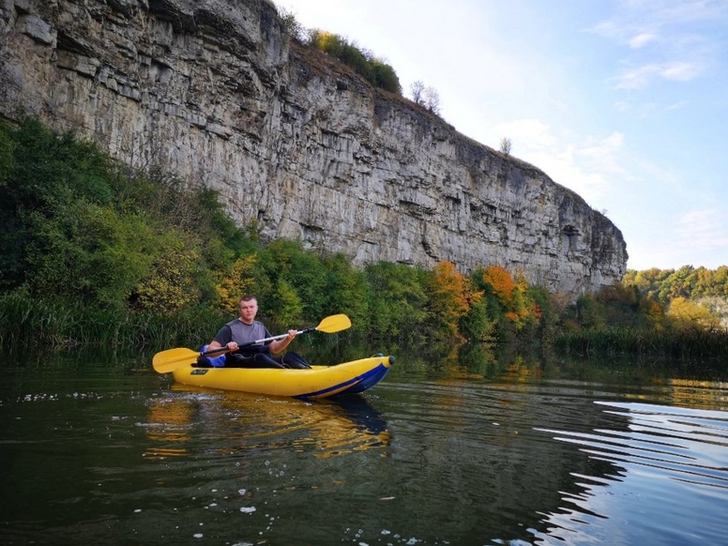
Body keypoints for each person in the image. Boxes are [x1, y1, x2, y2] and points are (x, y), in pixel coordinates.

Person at [199, 295, 311, 369]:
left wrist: (288, 339)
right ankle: (286, 372)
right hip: (239, 363)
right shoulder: (229, 328)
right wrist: (227, 347)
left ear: (257, 308)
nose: (249, 310)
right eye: (245, 308)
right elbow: (210, 351)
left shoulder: (260, 326)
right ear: (240, 310)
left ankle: (306, 371)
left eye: (251, 307)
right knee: (261, 357)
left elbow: (275, 348)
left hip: (259, 361)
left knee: (290, 356)